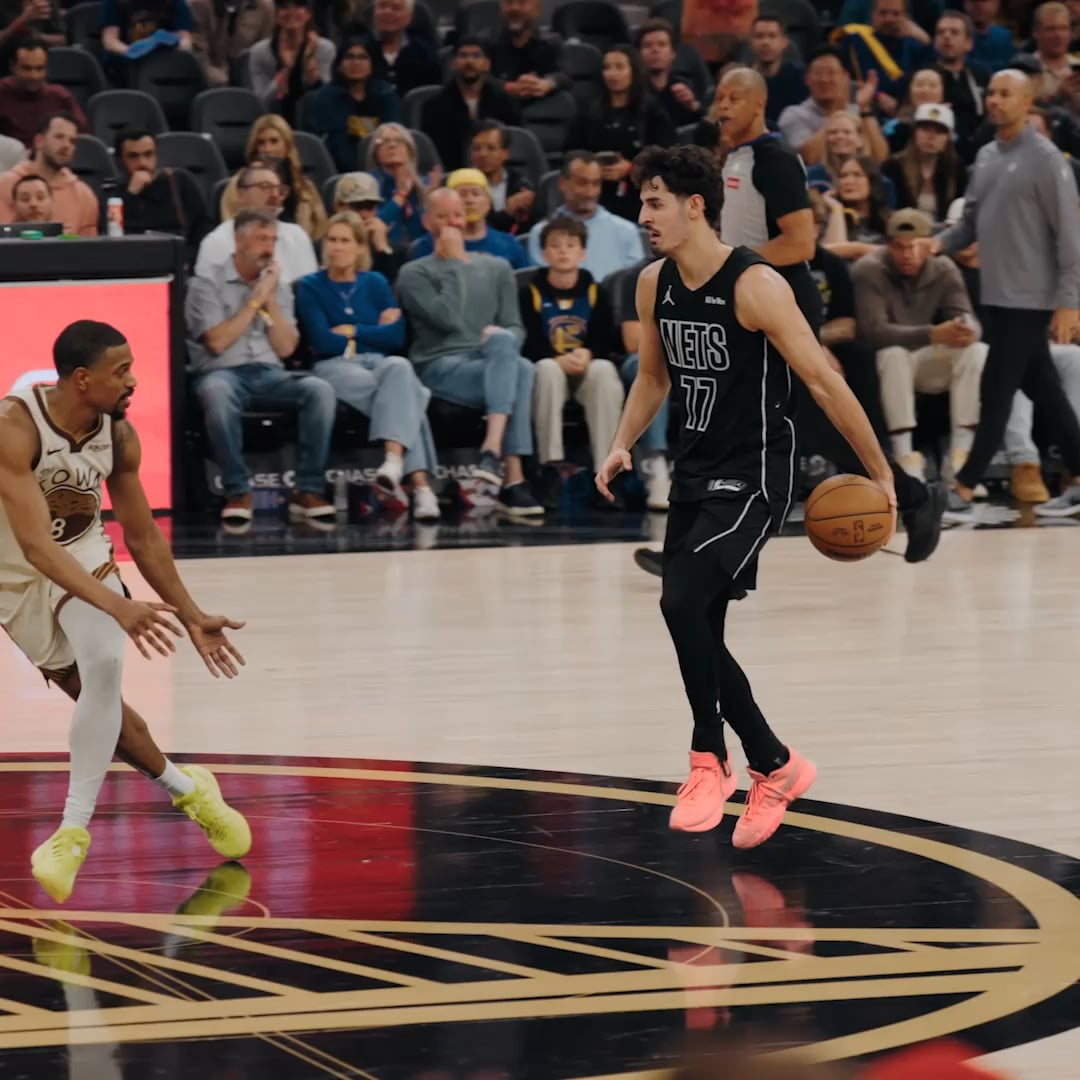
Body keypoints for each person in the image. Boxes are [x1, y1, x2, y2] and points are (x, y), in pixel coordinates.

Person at [595, 144, 896, 846]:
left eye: (655, 202)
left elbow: (823, 381)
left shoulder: (756, 285)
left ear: (696, 206)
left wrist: (881, 473)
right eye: (643, 202)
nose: (644, 215)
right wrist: (622, 441)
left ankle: (709, 757)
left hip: (756, 474)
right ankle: (775, 764)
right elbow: (653, 378)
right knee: (699, 623)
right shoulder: (653, 284)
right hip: (695, 472)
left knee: (679, 603)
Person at [0, 320, 251, 903]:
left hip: (84, 553)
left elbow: (143, 538)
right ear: (82, 379)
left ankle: (70, 832)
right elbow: (34, 547)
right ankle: (188, 789)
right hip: (14, 568)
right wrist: (121, 605)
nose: (134, 380)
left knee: (104, 670)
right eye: (121, 371)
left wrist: (190, 615)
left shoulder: (120, 436)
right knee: (90, 695)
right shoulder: (15, 428)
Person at [715, 68, 944, 561]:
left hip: (780, 298)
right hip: (750, 299)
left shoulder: (775, 158)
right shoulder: (736, 156)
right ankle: (914, 497)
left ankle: (708, 549)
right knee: (787, 424)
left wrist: (729, 268)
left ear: (759, 103)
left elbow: (799, 243)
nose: (723, 106)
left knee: (787, 420)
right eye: (719, 97)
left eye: (734, 98)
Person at [923, 68, 1080, 516]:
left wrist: (1069, 301)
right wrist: (937, 243)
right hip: (995, 295)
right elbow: (970, 223)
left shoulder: (1047, 159)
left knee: (995, 390)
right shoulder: (987, 156)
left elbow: (1070, 237)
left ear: (1027, 102)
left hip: (1031, 298)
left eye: (1005, 93)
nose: (994, 100)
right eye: (991, 92)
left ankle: (964, 488)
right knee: (1045, 390)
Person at [397, 187, 543, 518]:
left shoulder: (498, 267)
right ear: (426, 222)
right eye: (442, 216)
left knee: (514, 355)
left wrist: (499, 339)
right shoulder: (414, 273)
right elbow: (448, 319)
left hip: (492, 361)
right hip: (440, 364)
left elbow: (515, 326)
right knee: (519, 370)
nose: (451, 223)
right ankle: (513, 479)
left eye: (457, 215)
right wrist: (452, 262)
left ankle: (492, 449)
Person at [186, 208, 337, 527]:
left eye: (272, 240)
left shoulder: (275, 286)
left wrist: (269, 300)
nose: (269, 248)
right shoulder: (206, 283)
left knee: (320, 390)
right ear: (238, 241)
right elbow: (217, 342)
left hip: (270, 374)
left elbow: (286, 348)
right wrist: (255, 301)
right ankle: (238, 491)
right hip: (221, 372)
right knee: (216, 394)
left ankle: (308, 490)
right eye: (260, 239)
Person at [295, 211, 441, 521]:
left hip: (377, 363)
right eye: (331, 240)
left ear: (361, 247)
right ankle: (422, 488)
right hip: (333, 366)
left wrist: (351, 330)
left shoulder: (375, 282)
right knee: (409, 395)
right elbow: (322, 340)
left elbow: (396, 336)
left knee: (400, 366)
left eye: (345, 241)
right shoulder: (309, 286)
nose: (336, 247)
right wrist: (372, 331)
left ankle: (393, 462)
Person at [853, 208, 986, 484]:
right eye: (899, 247)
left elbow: (967, 317)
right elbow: (873, 332)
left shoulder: (944, 268)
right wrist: (933, 333)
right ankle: (905, 456)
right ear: (888, 245)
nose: (907, 254)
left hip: (926, 361)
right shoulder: (869, 269)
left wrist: (965, 329)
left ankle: (960, 456)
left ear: (929, 245)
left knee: (977, 351)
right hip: (884, 365)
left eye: (915, 246)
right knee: (894, 355)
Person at [518, 215, 623, 502]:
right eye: (555, 245)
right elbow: (528, 341)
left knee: (604, 370)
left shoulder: (596, 292)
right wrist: (555, 357)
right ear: (544, 253)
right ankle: (550, 467)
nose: (563, 251)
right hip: (550, 372)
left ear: (583, 252)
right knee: (547, 369)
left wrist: (589, 352)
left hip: (584, 370)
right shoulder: (529, 293)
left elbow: (606, 338)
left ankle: (607, 472)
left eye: (570, 245)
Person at [563, 45, 676, 222]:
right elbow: (571, 152)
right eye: (607, 68)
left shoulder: (653, 113)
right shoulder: (588, 112)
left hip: (640, 196)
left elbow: (666, 157)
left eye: (619, 67)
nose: (612, 73)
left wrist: (632, 168)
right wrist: (592, 168)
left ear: (633, 71)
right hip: (596, 193)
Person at [527, 151, 646, 282]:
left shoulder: (626, 231)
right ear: (562, 183)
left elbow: (634, 285)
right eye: (582, 183)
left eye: (596, 184)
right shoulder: (541, 233)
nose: (590, 193)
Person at [101, 128, 209, 268]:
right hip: (129, 265)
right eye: (133, 156)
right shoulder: (111, 192)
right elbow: (109, 238)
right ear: (119, 161)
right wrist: (131, 194)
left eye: (148, 154)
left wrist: (186, 261)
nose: (142, 163)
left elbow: (202, 228)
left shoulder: (179, 181)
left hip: (178, 263)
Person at [195, 161, 317, 283]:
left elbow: (310, 289)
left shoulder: (297, 235)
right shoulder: (217, 242)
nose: (275, 195)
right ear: (241, 194)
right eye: (265, 187)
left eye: (280, 190)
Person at [219, 115, 328, 242]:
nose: (268, 149)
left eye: (274, 141)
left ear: (287, 146)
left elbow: (321, 233)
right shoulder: (238, 185)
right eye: (261, 143)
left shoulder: (305, 188)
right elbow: (230, 228)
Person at [419, 36, 519, 173]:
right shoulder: (434, 106)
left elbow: (514, 145)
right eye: (463, 55)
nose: (469, 61)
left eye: (476, 56)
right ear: (453, 63)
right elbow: (433, 155)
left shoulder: (505, 102)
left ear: (487, 64)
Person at [307, 37, 401, 174]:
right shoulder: (323, 98)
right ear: (339, 65)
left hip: (384, 169)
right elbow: (334, 145)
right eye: (349, 57)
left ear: (372, 64)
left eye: (363, 57)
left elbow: (394, 135)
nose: (356, 62)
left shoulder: (386, 95)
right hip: (339, 171)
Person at [408, 167, 530, 268]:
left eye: (476, 194)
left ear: (488, 203)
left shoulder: (509, 244)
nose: (469, 200)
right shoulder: (427, 245)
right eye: (462, 194)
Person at [0, 112, 97, 234]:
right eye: (59, 137)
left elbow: (89, 244)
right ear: (39, 141)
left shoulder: (84, 195)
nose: (66, 145)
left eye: (72, 141)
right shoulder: (4, 185)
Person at [247, 0, 334, 126]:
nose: (291, 12)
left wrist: (309, 60)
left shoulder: (324, 49)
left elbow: (326, 100)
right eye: (285, 7)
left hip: (314, 122)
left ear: (308, 13)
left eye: (298, 6)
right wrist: (286, 70)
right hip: (274, 124)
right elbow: (263, 103)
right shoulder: (260, 52)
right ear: (276, 14)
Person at [0, 37, 85, 149]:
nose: (34, 76)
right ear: (12, 66)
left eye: (39, 68)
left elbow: (84, 136)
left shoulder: (60, 96)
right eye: (26, 68)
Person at [332, 171, 406, 282]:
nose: (364, 214)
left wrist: (382, 249)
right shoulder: (323, 246)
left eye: (369, 206)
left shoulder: (396, 252)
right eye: (357, 206)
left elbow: (392, 288)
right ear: (338, 207)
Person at [469, 120, 537, 235]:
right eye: (477, 148)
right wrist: (508, 211)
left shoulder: (521, 184)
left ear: (505, 153)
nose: (483, 154)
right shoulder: (464, 188)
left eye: (491, 148)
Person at [363, 0, 440, 98]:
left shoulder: (426, 55)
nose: (387, 12)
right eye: (382, 6)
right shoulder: (357, 49)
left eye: (396, 8)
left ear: (409, 17)